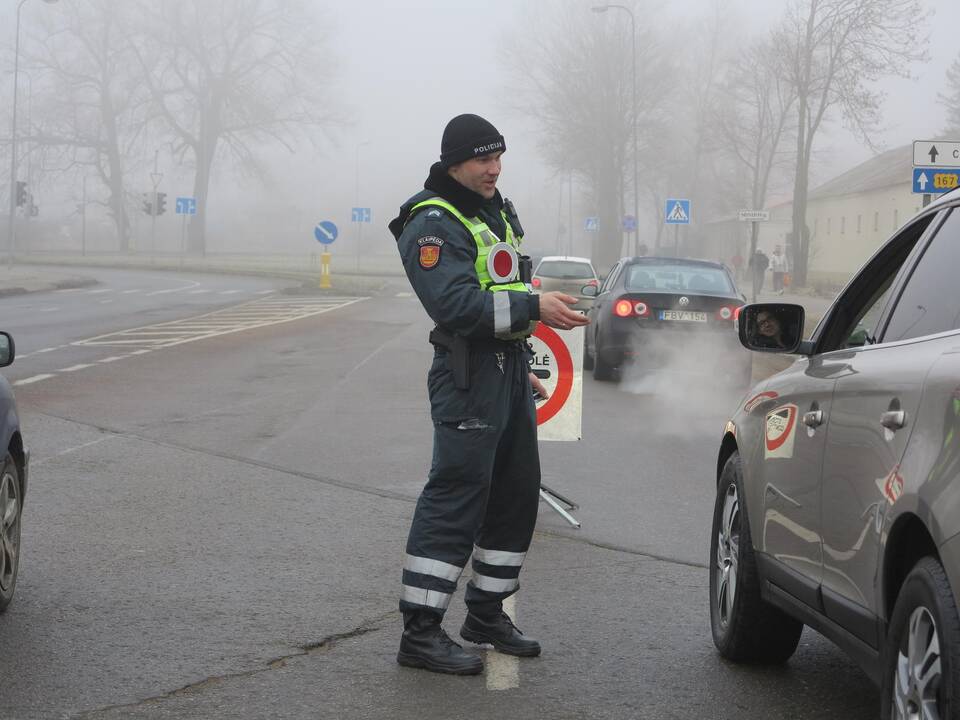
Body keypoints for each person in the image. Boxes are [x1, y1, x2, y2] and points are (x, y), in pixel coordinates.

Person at [388, 113, 589, 676]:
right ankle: (421, 632)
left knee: (515, 495)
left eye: (499, 158)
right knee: (456, 498)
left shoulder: (495, 210)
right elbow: (454, 305)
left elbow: (506, 284)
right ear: (455, 163)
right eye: (483, 160)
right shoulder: (431, 222)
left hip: (505, 370)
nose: (494, 169)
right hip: (468, 374)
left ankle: (486, 614)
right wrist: (534, 310)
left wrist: (518, 359)